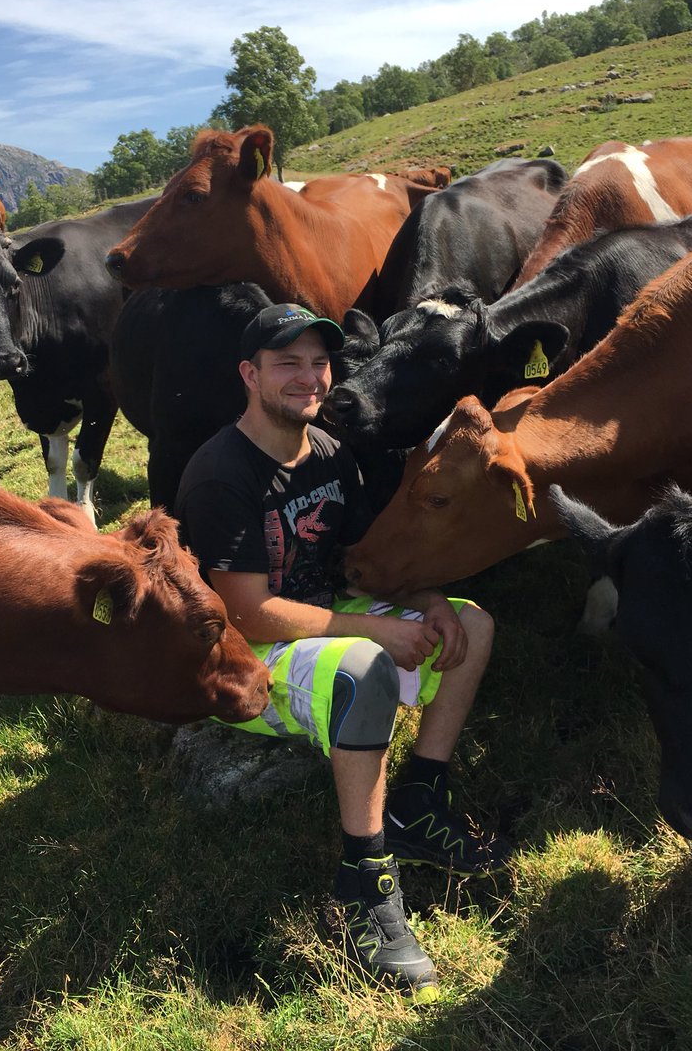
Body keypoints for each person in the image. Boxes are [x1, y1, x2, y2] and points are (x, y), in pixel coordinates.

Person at [175, 302, 508, 1003]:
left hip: (323, 614)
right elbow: (245, 609)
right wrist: (374, 632)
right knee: (365, 668)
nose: (308, 377)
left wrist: (431, 600)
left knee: (473, 628)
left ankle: (419, 801)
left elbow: (365, 556)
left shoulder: (328, 453)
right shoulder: (221, 473)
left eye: (318, 362)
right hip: (244, 655)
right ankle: (365, 879)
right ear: (250, 374)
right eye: (286, 363)